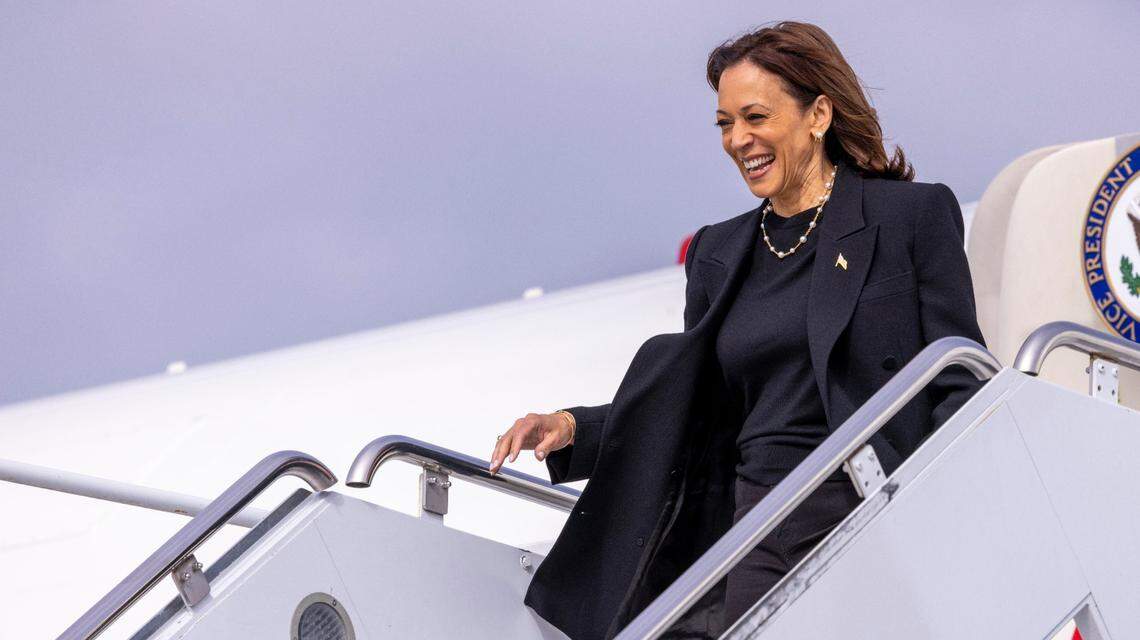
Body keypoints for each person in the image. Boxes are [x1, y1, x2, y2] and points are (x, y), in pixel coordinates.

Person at [488, 20, 986, 640]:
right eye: (725, 123)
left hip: (866, 499)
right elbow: (691, 408)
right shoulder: (717, 253)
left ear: (819, 114)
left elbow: (961, 379)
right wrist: (571, 427)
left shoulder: (909, 216)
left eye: (755, 117)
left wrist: (940, 512)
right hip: (753, 519)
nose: (738, 140)